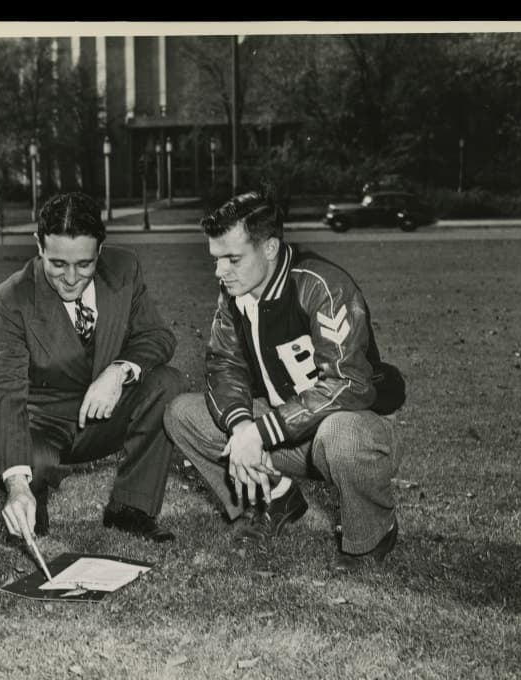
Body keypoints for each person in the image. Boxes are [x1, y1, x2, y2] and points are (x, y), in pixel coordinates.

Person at [163, 190, 405, 571]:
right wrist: (243, 426)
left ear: (271, 247)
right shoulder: (234, 294)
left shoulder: (321, 284)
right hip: (286, 429)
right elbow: (225, 366)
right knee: (182, 414)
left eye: (233, 258)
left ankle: (372, 535)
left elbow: (348, 383)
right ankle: (275, 498)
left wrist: (261, 433)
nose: (220, 271)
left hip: (355, 426)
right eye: (216, 259)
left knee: (340, 433)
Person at [0, 191, 185, 544]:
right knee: (34, 464)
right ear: (39, 245)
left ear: (100, 251)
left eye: (84, 265)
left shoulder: (124, 268)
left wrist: (119, 370)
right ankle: (30, 505)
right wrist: (16, 484)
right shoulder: (8, 301)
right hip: (37, 426)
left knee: (168, 382)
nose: (71, 277)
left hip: (103, 417)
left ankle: (130, 509)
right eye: (58, 264)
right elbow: (5, 394)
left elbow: (157, 336)